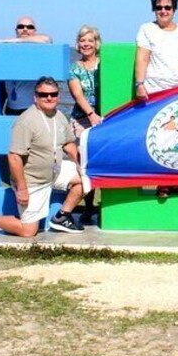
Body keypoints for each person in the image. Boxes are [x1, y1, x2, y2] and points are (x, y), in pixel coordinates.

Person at [0, 76, 84, 236]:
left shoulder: (59, 116)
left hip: (54, 172)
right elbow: (14, 157)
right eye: (43, 94)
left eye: (53, 94)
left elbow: (68, 143)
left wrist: (79, 165)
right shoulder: (26, 121)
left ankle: (62, 217)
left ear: (58, 96)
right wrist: (22, 188)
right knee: (28, 231)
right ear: (35, 97)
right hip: (33, 181)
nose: (49, 98)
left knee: (87, 178)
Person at [134, 0, 178, 198]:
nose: (163, 11)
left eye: (167, 7)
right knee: (161, 138)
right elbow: (143, 57)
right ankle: (162, 183)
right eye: (159, 7)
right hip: (155, 91)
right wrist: (139, 83)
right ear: (154, 9)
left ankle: (176, 181)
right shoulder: (146, 29)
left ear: (175, 9)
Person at [68, 25, 101, 223]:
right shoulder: (74, 68)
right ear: (78, 44)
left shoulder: (105, 64)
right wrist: (91, 114)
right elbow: (77, 94)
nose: (86, 44)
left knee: (102, 162)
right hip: (83, 120)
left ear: (97, 43)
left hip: (105, 120)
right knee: (85, 164)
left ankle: (106, 204)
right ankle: (88, 207)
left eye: (90, 40)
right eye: (82, 40)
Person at [0, 16, 53, 115]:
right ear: (16, 30)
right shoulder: (7, 51)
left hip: (32, 109)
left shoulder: (38, 50)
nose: (25, 29)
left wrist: (18, 40)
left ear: (35, 31)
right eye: (21, 26)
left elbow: (47, 39)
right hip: (11, 109)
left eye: (29, 27)